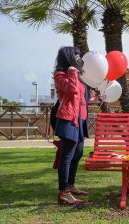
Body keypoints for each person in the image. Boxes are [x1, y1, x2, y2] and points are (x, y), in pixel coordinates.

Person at [54, 46, 89, 205]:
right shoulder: (60, 75)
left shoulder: (75, 75)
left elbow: (81, 97)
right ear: (68, 57)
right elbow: (73, 89)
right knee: (67, 156)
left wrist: (94, 98)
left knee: (78, 153)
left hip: (79, 120)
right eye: (76, 56)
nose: (78, 58)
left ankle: (71, 184)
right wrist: (73, 70)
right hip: (68, 119)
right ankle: (64, 193)